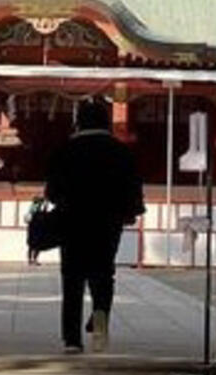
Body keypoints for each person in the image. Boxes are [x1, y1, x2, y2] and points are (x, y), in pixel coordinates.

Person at [43, 97, 144, 354]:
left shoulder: (64, 150)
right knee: (103, 273)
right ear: (106, 122)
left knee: (72, 278)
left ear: (79, 122)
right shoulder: (121, 152)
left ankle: (72, 339)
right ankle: (100, 316)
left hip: (72, 221)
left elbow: (52, 192)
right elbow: (133, 188)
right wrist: (130, 212)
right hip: (107, 222)